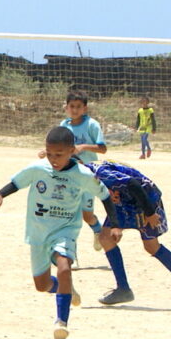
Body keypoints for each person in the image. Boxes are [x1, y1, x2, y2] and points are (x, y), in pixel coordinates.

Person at [0, 126, 121, 339]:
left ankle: (61, 323)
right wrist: (0, 194)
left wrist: (114, 224)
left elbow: (105, 196)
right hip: (38, 232)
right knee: (41, 285)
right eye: (49, 154)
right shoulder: (38, 169)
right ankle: (66, 288)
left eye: (59, 155)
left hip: (65, 230)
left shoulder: (83, 175)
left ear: (72, 151)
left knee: (64, 267)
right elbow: (17, 182)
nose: (53, 159)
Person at [85, 160, 171, 310]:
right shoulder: (74, 173)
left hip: (146, 200)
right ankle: (123, 289)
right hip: (123, 201)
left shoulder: (97, 172)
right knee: (106, 238)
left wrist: (150, 213)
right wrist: (115, 224)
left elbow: (133, 184)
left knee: (151, 246)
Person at [41, 90, 108, 253]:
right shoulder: (64, 126)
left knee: (87, 216)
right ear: (66, 108)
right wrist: (46, 152)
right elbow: (57, 147)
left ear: (85, 108)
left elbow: (103, 148)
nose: (75, 110)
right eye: (72, 106)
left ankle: (97, 230)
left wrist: (83, 147)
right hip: (69, 176)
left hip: (87, 175)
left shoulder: (92, 125)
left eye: (78, 107)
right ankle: (66, 250)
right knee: (66, 215)